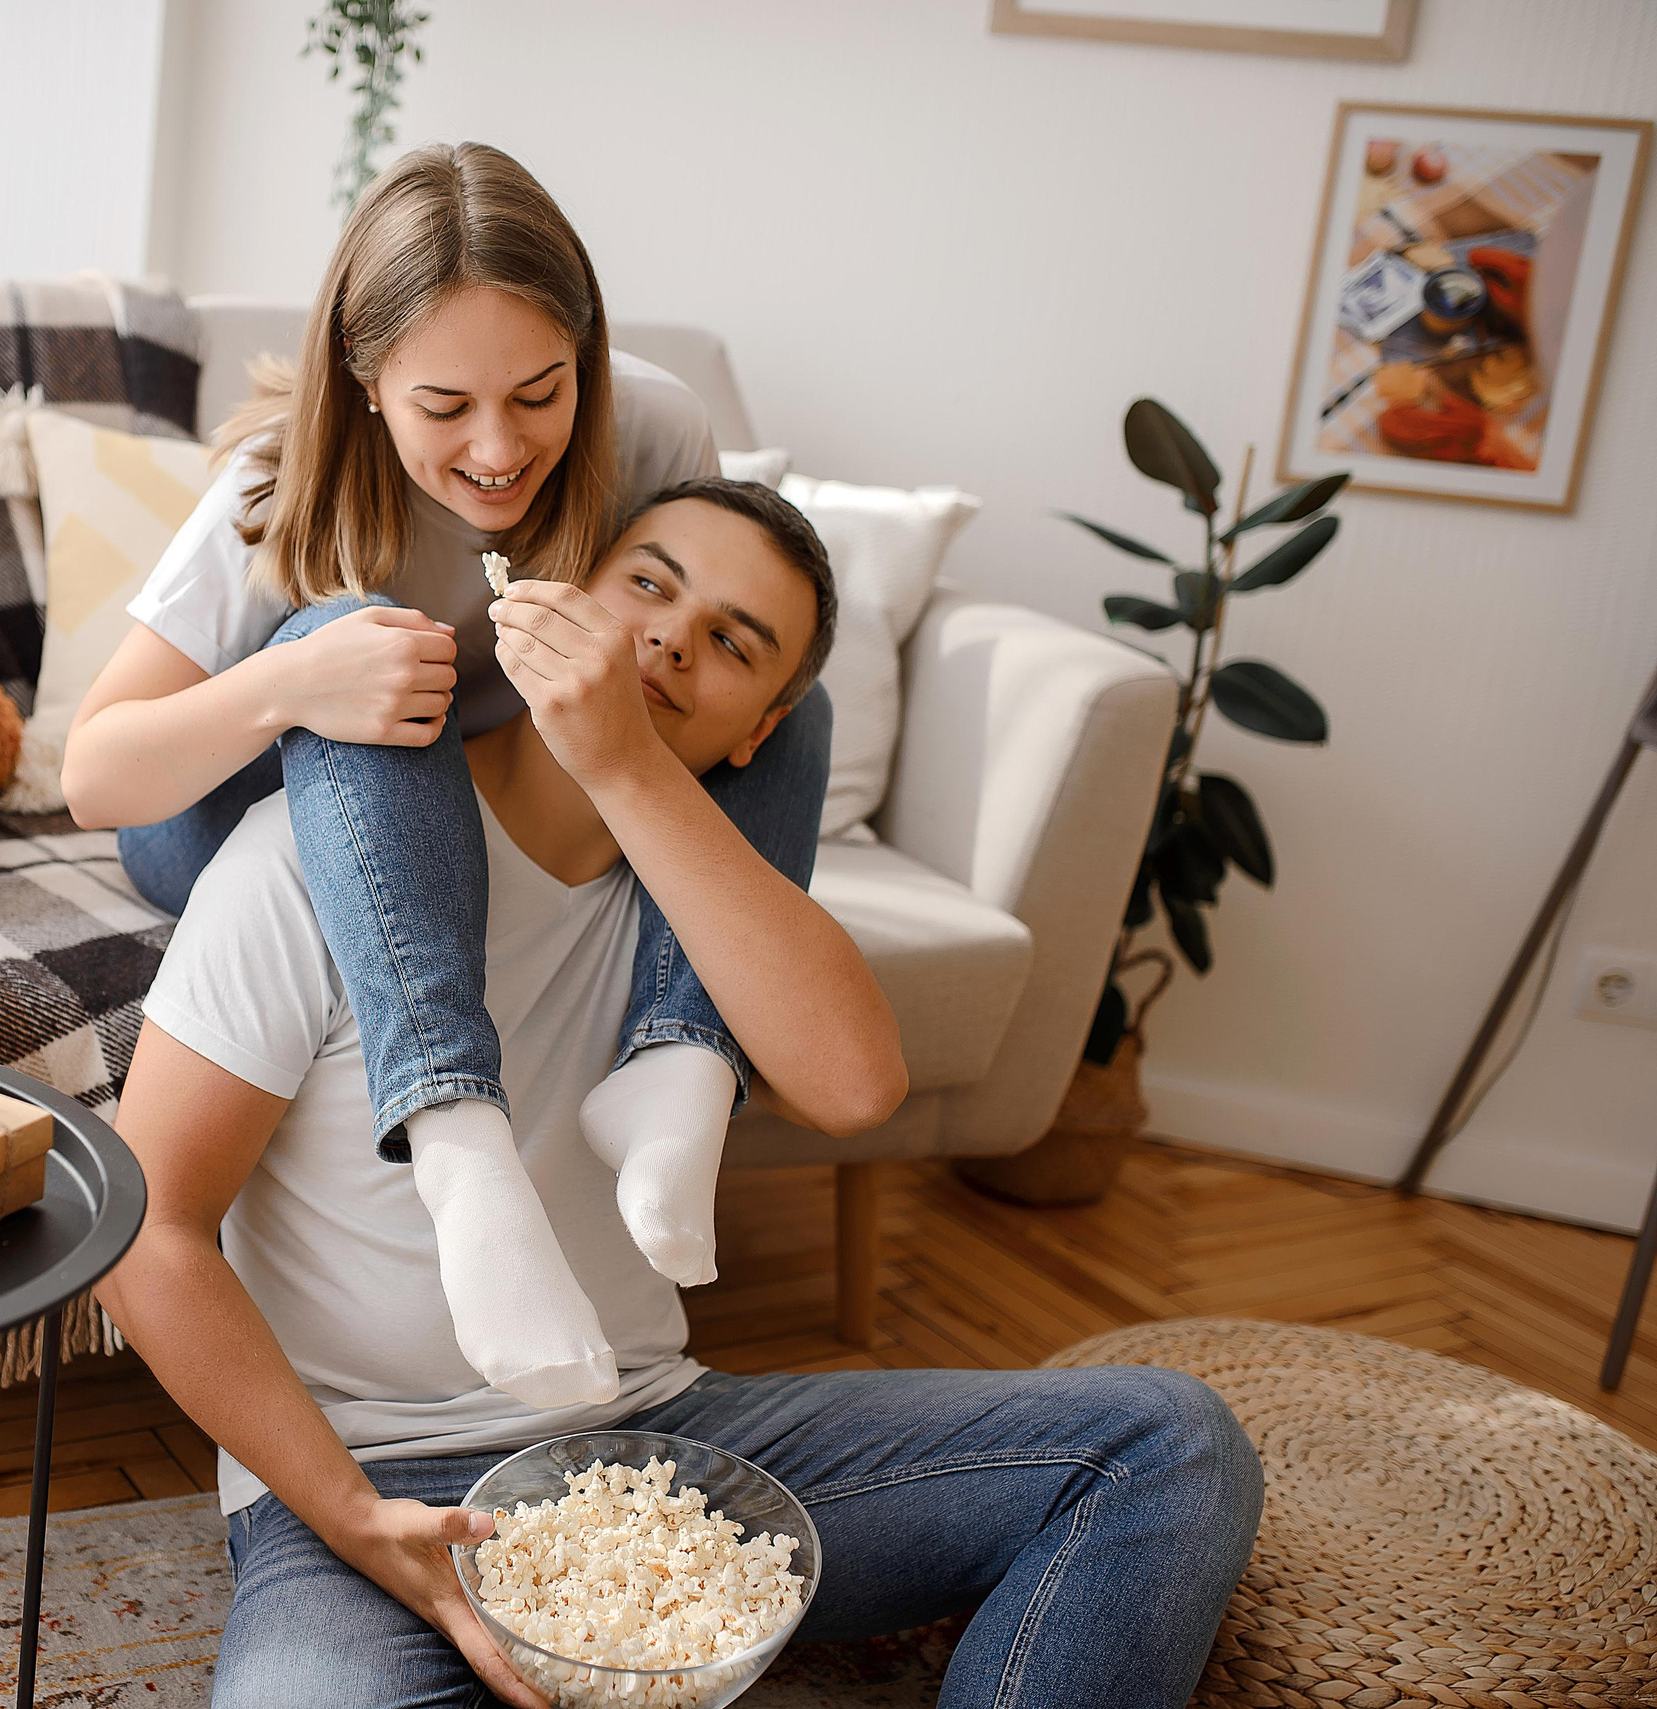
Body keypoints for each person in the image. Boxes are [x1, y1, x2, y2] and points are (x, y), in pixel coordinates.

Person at [92, 483, 1265, 1709]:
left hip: (647, 1449)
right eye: (646, 585)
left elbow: (856, 1085)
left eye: (732, 642)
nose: (667, 640)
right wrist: (353, 1515)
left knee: (1166, 1445)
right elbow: (150, 1227)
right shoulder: (308, 855)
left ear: (762, 730)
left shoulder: (702, 909)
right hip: (374, 1474)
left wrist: (626, 764)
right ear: (549, 596)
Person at [67, 143, 831, 1408]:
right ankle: (457, 1138)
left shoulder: (651, 424)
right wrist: (292, 686)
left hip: (475, 778)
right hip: (228, 801)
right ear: (366, 379)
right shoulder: (274, 491)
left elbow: (708, 612)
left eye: (540, 392)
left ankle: (683, 1062)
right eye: (445, 409)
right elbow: (98, 775)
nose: (498, 449)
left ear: (586, 358)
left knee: (773, 680)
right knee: (341, 632)